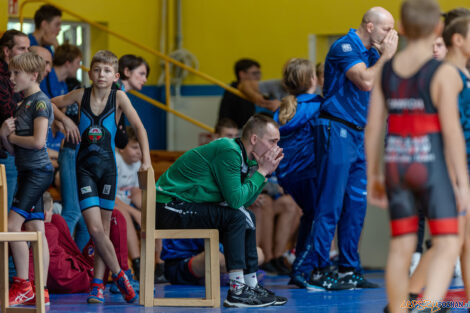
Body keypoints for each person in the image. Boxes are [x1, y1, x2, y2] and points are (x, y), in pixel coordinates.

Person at [366, 1, 469, 312]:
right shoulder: (442, 73)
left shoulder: (386, 71)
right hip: (430, 164)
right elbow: (451, 134)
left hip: (396, 163)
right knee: (448, 241)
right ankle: (428, 305)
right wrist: (462, 182)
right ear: (438, 29)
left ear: (401, 27)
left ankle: (398, 309)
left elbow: (373, 128)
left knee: (401, 246)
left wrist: (374, 175)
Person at [156, 114, 287, 308]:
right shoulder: (229, 150)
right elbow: (234, 201)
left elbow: (245, 201)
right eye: (272, 141)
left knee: (247, 216)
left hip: (186, 204)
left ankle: (251, 285)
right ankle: (236, 291)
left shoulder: (245, 159)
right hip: (168, 206)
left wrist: (262, 172)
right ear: (254, 139)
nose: (276, 148)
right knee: (235, 216)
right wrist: (261, 172)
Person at [51, 50, 151, 304]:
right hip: (83, 169)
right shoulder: (79, 94)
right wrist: (65, 121)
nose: (101, 75)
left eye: (107, 71)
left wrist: (147, 162)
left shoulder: (119, 97)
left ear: (115, 75)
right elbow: (51, 103)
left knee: (103, 230)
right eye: (96, 70)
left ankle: (97, 285)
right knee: (95, 228)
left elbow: (139, 128)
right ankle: (120, 275)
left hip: (107, 169)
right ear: (90, 72)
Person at [311, 6, 398, 290]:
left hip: (361, 135)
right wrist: (386, 56)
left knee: (356, 205)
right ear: (370, 27)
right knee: (331, 203)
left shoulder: (374, 54)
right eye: (387, 29)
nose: (391, 36)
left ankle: (349, 268)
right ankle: (319, 270)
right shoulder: (345, 45)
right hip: (337, 128)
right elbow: (365, 81)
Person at [1, 52, 54, 306]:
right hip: (26, 172)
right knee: (36, 229)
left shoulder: (40, 103)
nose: (11, 79)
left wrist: (10, 138)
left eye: (16, 74)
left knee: (11, 227)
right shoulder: (21, 105)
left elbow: (38, 142)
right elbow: (14, 152)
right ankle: (41, 289)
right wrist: (4, 136)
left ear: (33, 75)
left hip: (37, 173)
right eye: (10, 73)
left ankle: (22, 284)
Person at [272, 58, 325, 289]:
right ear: (313, 79)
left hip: (287, 174)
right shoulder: (318, 105)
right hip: (309, 171)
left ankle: (305, 265)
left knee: (310, 214)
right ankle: (303, 268)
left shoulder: (283, 109)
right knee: (320, 215)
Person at [0, 30, 30, 208]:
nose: (27, 53)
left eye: (28, 48)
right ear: (6, 51)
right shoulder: (4, 78)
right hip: (4, 155)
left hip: (15, 153)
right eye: (21, 48)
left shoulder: (20, 76)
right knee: (4, 218)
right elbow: (10, 111)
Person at [218, 59, 284, 129]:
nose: (258, 77)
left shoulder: (260, 91)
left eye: (259, 73)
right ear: (242, 74)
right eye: (254, 73)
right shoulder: (234, 93)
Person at [115, 126, 144, 279]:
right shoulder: (116, 160)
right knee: (125, 215)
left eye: (140, 148)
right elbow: (110, 197)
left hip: (126, 202)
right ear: (121, 148)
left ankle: (159, 263)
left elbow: (135, 191)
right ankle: (137, 263)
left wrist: (145, 209)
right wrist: (135, 212)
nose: (139, 152)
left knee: (152, 212)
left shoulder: (137, 164)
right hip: (110, 203)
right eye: (134, 147)